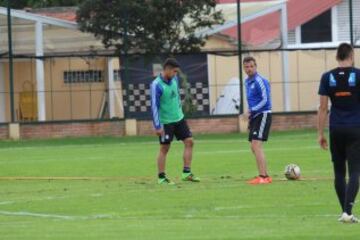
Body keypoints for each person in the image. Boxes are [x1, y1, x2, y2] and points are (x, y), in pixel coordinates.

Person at [318, 43, 360, 223]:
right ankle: (348, 212)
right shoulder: (358, 75)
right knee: (355, 171)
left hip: (335, 129)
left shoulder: (327, 77)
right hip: (356, 128)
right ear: (351, 56)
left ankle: (345, 212)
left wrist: (320, 133)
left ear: (337, 57)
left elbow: (322, 108)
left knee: (339, 172)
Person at [150, 58, 200, 185]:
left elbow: (176, 96)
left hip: (179, 119)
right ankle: (161, 177)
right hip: (165, 122)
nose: (175, 74)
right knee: (164, 148)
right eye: (174, 71)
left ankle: (186, 173)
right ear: (166, 69)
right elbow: (154, 106)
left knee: (189, 142)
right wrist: (157, 126)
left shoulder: (175, 80)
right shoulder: (156, 85)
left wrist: (180, 111)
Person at [243, 56, 273, 185]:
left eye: (251, 66)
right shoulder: (247, 82)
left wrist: (251, 110)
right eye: (246, 67)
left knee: (256, 145)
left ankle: (263, 177)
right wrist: (250, 115)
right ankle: (264, 175)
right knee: (253, 147)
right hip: (255, 116)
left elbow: (265, 100)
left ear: (256, 67)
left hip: (263, 114)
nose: (249, 69)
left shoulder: (260, 81)